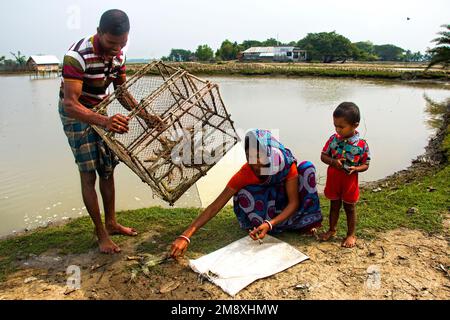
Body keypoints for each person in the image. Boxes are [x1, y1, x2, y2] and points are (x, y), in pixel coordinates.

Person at [170, 129, 323, 258]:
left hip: (285, 204)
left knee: (307, 167)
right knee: (244, 191)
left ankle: (298, 223)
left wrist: (270, 224)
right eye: (250, 156)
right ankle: (268, 225)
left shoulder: (285, 164)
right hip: (267, 206)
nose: (254, 163)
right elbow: (214, 207)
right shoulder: (246, 173)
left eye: (259, 156)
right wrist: (185, 235)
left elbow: (294, 203)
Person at [59, 9, 139, 254]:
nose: (117, 48)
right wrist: (104, 121)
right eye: (112, 43)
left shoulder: (119, 55)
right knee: (88, 174)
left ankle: (112, 223)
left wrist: (146, 116)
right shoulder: (77, 56)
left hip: (101, 110)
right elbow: (70, 104)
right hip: (76, 114)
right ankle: (100, 232)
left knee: (107, 169)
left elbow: (122, 93)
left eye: (122, 43)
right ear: (99, 32)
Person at [319, 102, 371, 248]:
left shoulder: (362, 145)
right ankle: (332, 229)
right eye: (335, 125)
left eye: (341, 126)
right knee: (333, 205)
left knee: (350, 207)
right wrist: (333, 162)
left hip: (350, 181)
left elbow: (366, 164)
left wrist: (357, 168)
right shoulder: (333, 139)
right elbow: (323, 156)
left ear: (355, 125)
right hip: (334, 179)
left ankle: (350, 234)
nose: (337, 129)